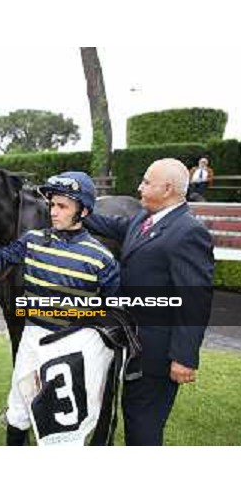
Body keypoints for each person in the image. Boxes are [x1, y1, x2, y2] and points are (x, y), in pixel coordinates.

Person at [0, 172, 120, 446]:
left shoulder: (102, 258)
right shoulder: (32, 240)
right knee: (18, 412)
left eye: (62, 206)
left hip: (72, 347)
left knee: (63, 428)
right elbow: (1, 257)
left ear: (84, 211)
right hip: (31, 340)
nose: (53, 212)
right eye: (52, 204)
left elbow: (111, 309)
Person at [85, 158, 214, 445]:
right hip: (135, 342)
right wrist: (74, 204)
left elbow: (195, 300)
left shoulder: (188, 231)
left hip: (158, 352)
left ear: (167, 189)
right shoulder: (144, 219)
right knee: (134, 412)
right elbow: (108, 223)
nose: (139, 187)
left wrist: (184, 357)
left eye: (146, 182)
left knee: (143, 424)